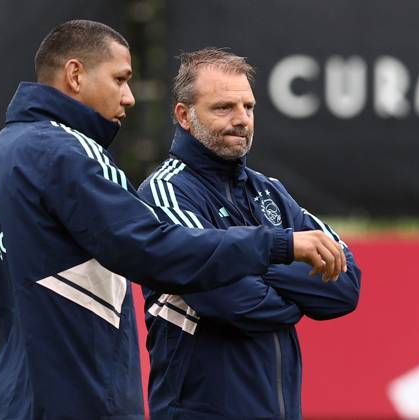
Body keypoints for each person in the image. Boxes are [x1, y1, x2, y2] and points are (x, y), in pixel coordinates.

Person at [0, 22, 347, 419]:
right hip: (81, 401)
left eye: (248, 107)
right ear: (75, 75)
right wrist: (277, 245)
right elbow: (155, 250)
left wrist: (14, 383)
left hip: (10, 402)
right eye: (120, 79)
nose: (128, 97)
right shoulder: (70, 151)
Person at [138, 48, 362, 419]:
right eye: (224, 107)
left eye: (249, 107)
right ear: (184, 116)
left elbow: (344, 285)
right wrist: (292, 276)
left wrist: (245, 264)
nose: (241, 119)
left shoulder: (269, 191)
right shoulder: (165, 192)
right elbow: (235, 302)